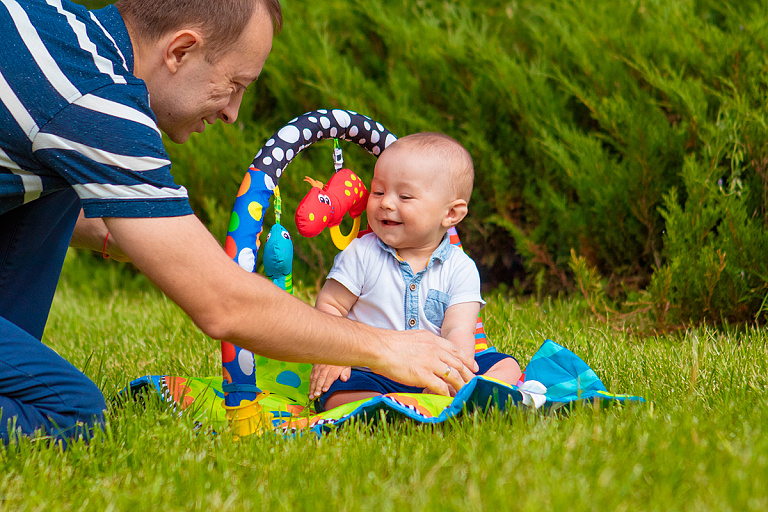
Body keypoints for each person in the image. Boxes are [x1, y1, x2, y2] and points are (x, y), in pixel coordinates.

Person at [0, 0, 477, 444]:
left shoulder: (61, 33)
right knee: (71, 412)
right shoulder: (95, 103)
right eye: (235, 85)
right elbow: (223, 307)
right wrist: (388, 349)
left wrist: (154, 241)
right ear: (181, 50)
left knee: (58, 180)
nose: (232, 113)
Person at [309, 132, 522, 412]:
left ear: (451, 214)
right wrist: (334, 352)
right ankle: (402, 406)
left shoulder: (460, 267)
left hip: (434, 370)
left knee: (506, 366)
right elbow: (330, 306)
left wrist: (450, 373)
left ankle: (439, 397)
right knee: (337, 393)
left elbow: (459, 329)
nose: (386, 203)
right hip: (372, 372)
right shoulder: (361, 253)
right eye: (378, 191)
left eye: (405, 196)